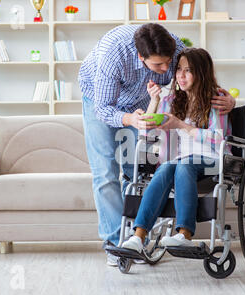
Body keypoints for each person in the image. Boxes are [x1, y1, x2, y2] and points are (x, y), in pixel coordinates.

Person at [78, 24, 236, 265]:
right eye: (159, 66)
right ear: (141, 57)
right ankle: (127, 241)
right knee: (107, 173)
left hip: (207, 155)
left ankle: (180, 234)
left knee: (136, 173)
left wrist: (231, 100)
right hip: (102, 101)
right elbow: (106, 109)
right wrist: (138, 114)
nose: (169, 72)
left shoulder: (177, 55)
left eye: (170, 64)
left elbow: (202, 74)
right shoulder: (114, 57)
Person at [121, 48, 232, 253]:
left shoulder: (216, 100)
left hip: (213, 158)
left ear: (201, 73)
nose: (181, 75)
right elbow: (148, 136)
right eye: (178, 69)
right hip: (182, 161)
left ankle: (185, 234)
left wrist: (181, 125)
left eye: (188, 70)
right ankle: (138, 237)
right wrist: (154, 101)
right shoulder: (170, 101)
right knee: (165, 168)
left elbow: (218, 138)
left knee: (183, 164)